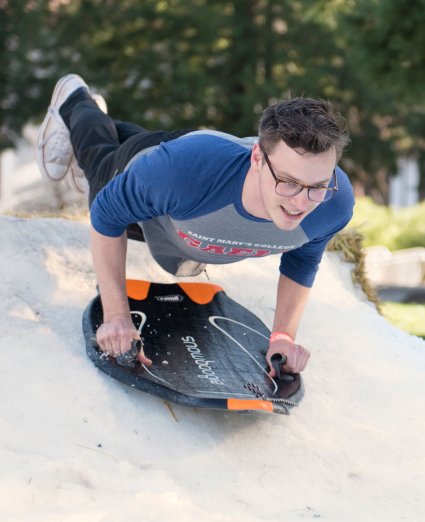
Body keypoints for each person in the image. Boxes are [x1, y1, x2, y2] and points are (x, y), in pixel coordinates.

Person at [37, 73, 354, 376]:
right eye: (288, 182)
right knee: (99, 164)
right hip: (170, 180)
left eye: (317, 186)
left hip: (178, 189)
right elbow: (106, 215)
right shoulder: (180, 174)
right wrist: (117, 316)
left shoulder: (333, 204)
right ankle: (76, 100)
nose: (301, 202)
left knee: (158, 183)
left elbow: (302, 259)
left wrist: (282, 336)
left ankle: (110, 125)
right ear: (257, 158)